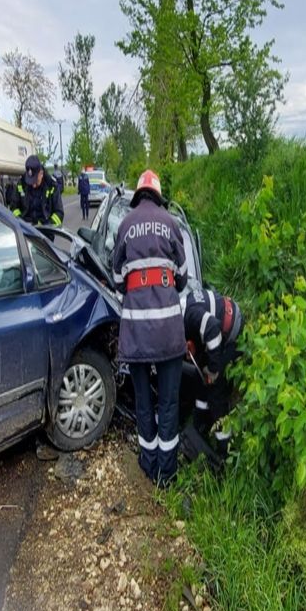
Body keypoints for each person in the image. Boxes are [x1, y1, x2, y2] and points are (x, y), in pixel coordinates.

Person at [112, 170, 187, 487]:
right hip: (169, 333)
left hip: (138, 335)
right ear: (158, 195)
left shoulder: (125, 225)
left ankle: (147, 465)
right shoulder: (171, 224)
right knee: (168, 403)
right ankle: (166, 475)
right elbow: (182, 278)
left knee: (144, 402)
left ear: (138, 196)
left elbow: (117, 281)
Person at [181, 285, 244, 458]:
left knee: (216, 390)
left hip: (233, 334)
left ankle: (225, 451)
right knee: (201, 379)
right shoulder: (183, 306)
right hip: (221, 328)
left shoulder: (190, 316)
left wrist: (213, 369)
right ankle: (200, 424)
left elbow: (212, 330)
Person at [21, 155, 64, 226]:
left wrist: (47, 225)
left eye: (35, 180)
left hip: (45, 232)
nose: (33, 185)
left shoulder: (52, 185)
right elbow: (14, 208)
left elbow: (59, 213)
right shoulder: (22, 183)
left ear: (41, 173)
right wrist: (20, 222)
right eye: (30, 180)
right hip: (25, 231)